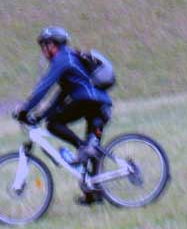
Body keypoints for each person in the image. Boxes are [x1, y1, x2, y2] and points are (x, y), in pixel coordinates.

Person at [14, 27, 113, 202]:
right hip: (97, 104)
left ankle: (82, 148)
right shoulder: (68, 58)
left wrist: (25, 109)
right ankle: (94, 194)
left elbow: (44, 87)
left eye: (45, 45)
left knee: (54, 124)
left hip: (91, 102)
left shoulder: (63, 58)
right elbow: (60, 97)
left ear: (54, 45)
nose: (43, 50)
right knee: (92, 150)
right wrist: (38, 115)